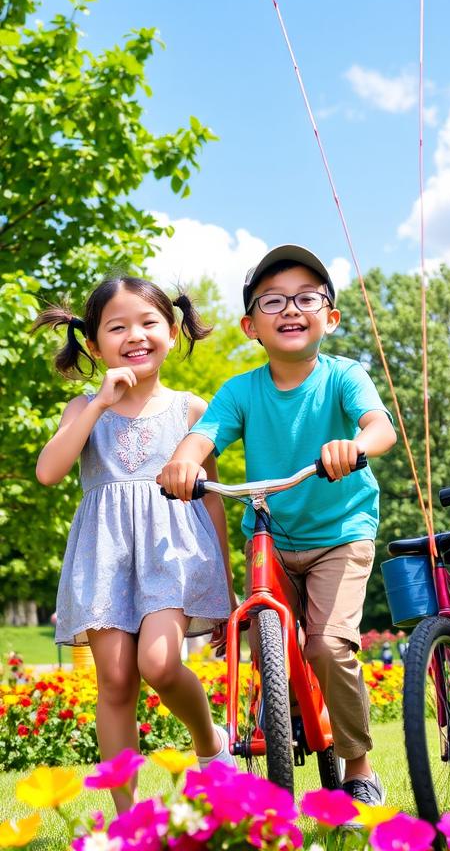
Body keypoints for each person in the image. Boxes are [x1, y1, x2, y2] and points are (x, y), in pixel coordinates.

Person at [157, 244, 397, 806]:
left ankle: (358, 763)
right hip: (269, 535)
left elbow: (378, 427)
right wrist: (186, 459)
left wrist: (355, 446)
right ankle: (280, 716)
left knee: (328, 646)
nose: (291, 309)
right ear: (250, 326)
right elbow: (205, 434)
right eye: (273, 301)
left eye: (306, 298)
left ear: (330, 318)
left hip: (341, 533)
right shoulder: (241, 390)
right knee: (274, 646)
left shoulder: (344, 376)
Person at [34, 277, 236, 810]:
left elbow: (212, 499)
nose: (134, 336)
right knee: (117, 681)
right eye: (116, 327)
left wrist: (225, 587)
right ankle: (129, 820)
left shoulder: (192, 410)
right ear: (95, 344)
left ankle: (211, 743)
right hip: (104, 558)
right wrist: (100, 403)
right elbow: (49, 472)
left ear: (171, 332)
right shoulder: (82, 408)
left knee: (160, 664)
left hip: (174, 552)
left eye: (148, 323)